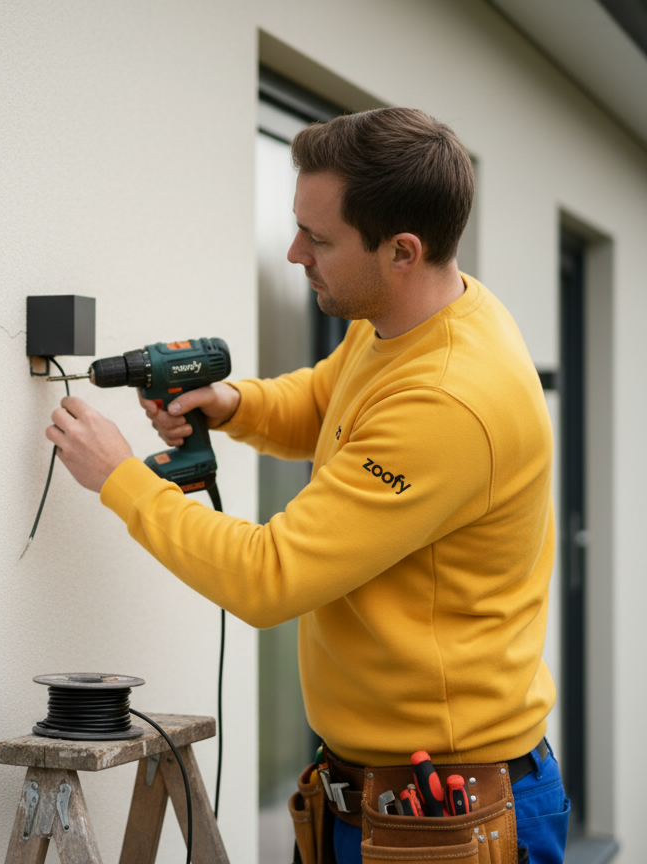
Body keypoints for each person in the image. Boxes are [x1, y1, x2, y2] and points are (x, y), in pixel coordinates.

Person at [45, 108, 567, 863]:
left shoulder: (451, 400)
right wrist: (231, 406)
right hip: (364, 793)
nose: (294, 253)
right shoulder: (405, 316)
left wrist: (121, 478)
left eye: (317, 239)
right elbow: (330, 401)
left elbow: (268, 577)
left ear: (401, 251)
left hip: (446, 818)